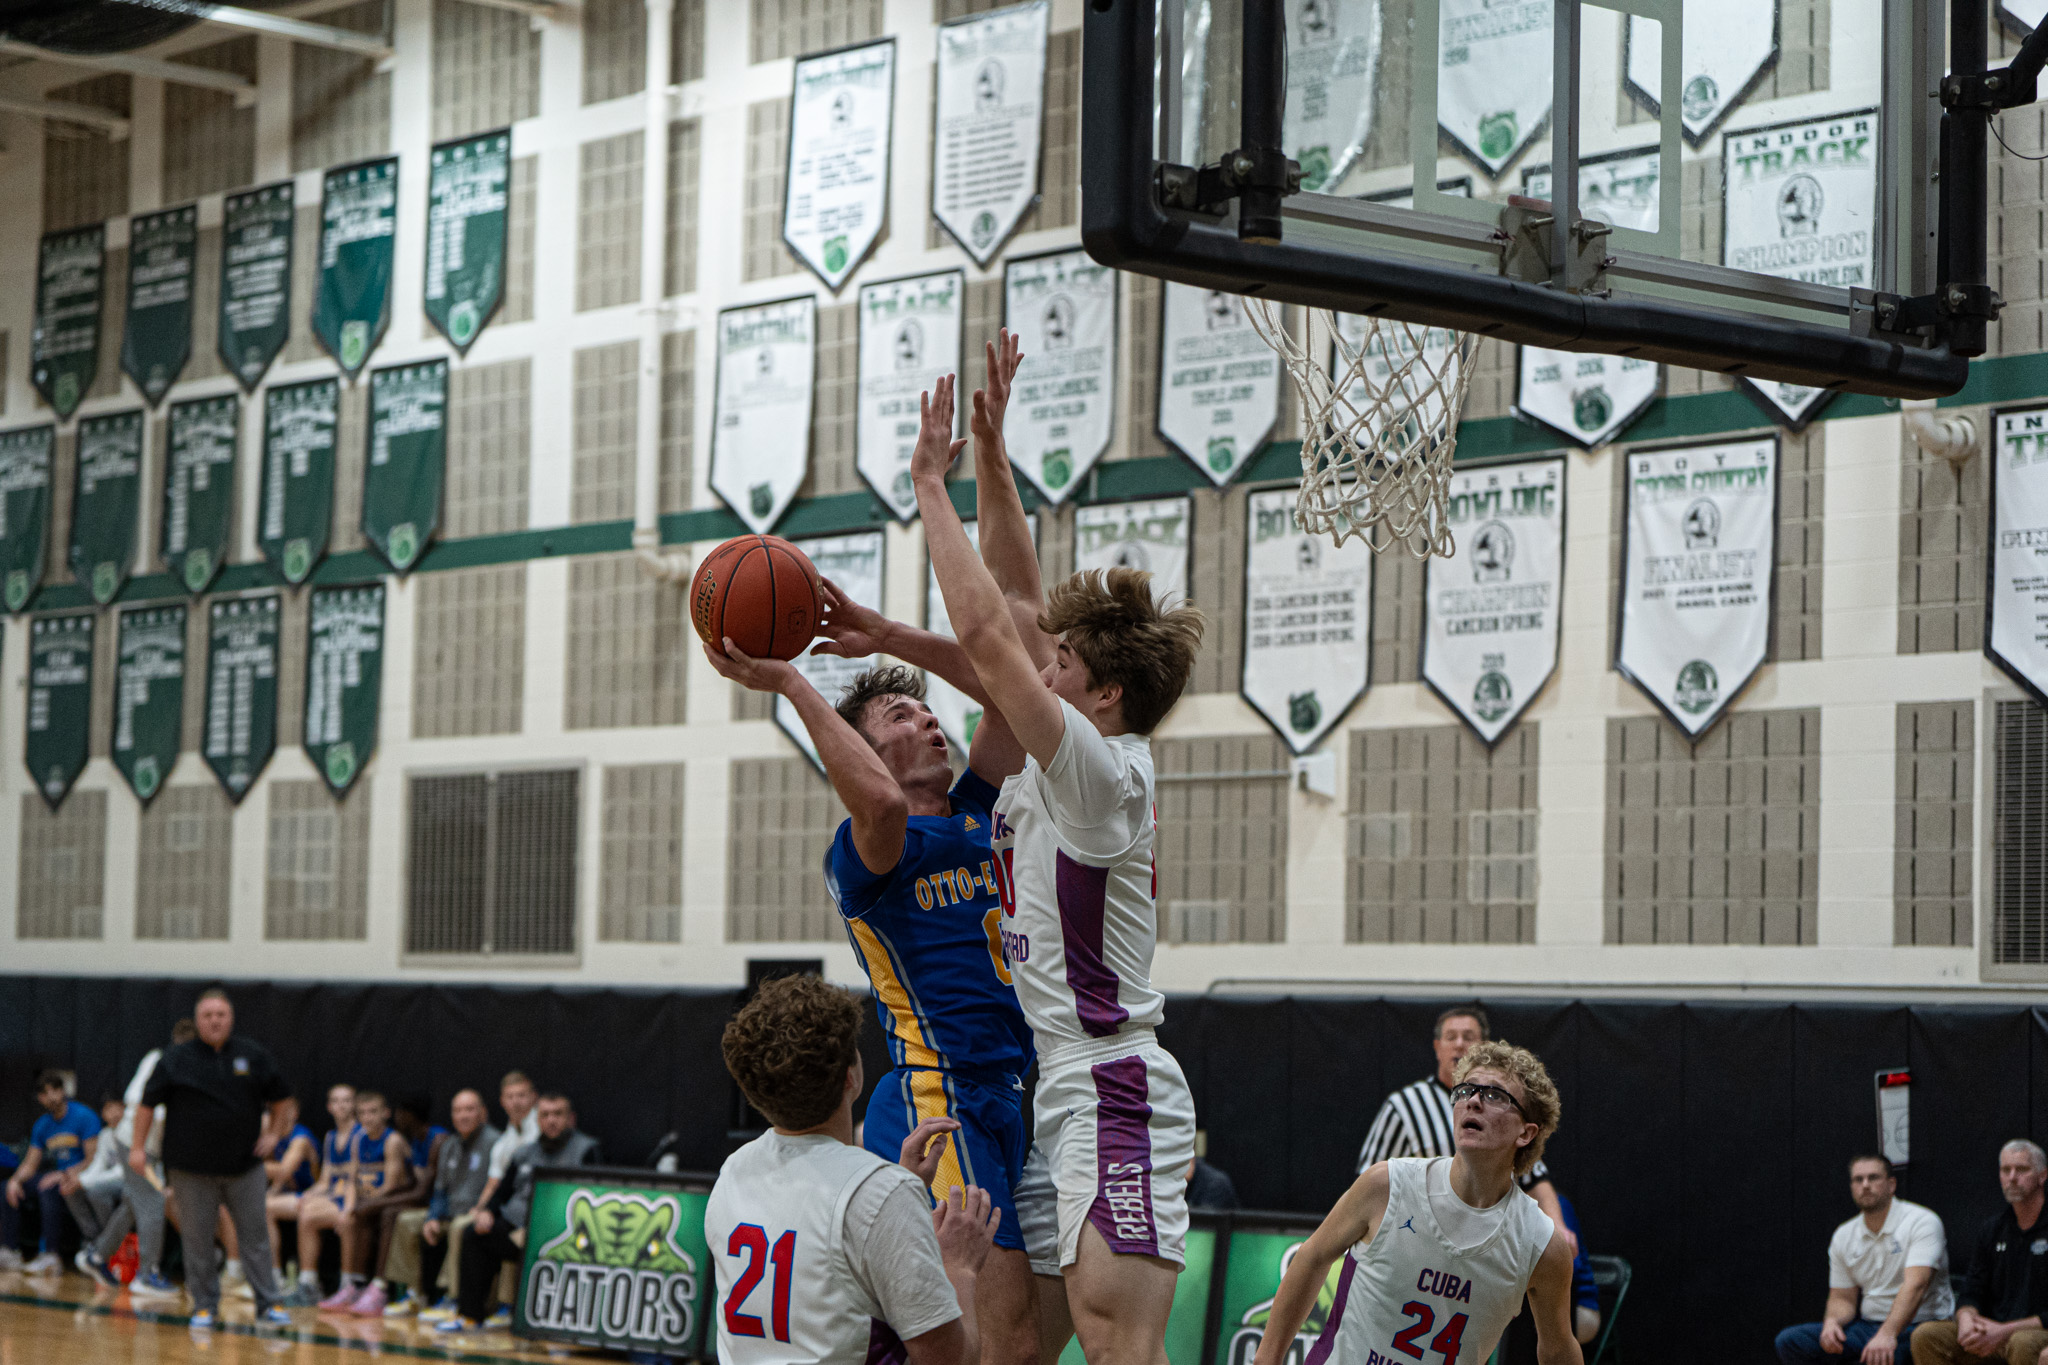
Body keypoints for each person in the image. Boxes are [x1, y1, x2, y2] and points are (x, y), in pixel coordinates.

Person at [705, 331, 1049, 1365]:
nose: (929, 723)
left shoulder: (981, 805)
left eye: (925, 714)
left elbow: (1016, 649)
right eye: (902, 719)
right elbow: (883, 809)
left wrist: (986, 464)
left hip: (1018, 1083)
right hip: (937, 1091)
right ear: (862, 744)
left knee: (1018, 1346)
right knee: (992, 1339)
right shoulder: (872, 849)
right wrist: (794, 681)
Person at [914, 364, 1207, 1365]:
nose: (1045, 672)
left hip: (1112, 1082)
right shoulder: (1074, 753)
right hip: (1061, 1082)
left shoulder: (1096, 773)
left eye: (1065, 671)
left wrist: (928, 490)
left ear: (1106, 695)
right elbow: (1021, 605)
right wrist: (993, 468)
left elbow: (991, 634)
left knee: (1114, 1342)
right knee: (1026, 1347)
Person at [705, 972, 1002, 1365]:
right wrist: (959, 1268)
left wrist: (899, 1192)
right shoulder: (880, 1196)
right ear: (852, 1075)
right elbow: (949, 1361)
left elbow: (816, 1260)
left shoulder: (733, 1173)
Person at [1250, 1041, 1582, 1365]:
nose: (1473, 1101)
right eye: (1465, 1090)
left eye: (1494, 1095)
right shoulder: (1386, 1184)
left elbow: (1557, 1350)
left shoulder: (1541, 1244)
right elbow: (1311, 1258)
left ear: (1525, 1133)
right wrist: (1267, 1359)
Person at [133, 987, 295, 1329]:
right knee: (197, 1241)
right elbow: (147, 1104)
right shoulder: (176, 1058)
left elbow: (282, 1099)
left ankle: (269, 1304)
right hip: (190, 1171)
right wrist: (136, 1148)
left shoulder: (252, 1055)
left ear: (231, 1018)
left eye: (220, 1014)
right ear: (197, 1020)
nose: (214, 1020)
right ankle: (204, 1306)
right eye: (207, 1015)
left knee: (255, 1238)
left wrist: (274, 1135)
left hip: (245, 1168)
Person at [1357, 1006, 1575, 1253]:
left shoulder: (1510, 1109)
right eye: (1451, 1037)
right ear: (1437, 1047)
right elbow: (1367, 1183)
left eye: (1468, 1037)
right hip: (1422, 1236)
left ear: (1485, 1047)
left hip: (1494, 1232)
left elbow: (1535, 1176)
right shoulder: (1404, 1105)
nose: (1460, 1045)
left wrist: (1557, 1226)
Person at [437, 1092, 601, 1334]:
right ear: (538, 1120)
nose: (551, 1120)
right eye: (545, 1115)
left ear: (571, 1119)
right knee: (475, 1234)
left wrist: (545, 1227)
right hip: (517, 1226)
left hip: (561, 1231)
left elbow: (596, 1201)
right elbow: (501, 1192)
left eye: (558, 1114)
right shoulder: (525, 1152)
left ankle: (558, 1325)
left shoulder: (587, 1150)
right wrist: (486, 1213)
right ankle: (470, 1315)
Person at [1775, 1155, 1952, 1365]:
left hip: (1917, 1326)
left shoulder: (1922, 1222)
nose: (1865, 1185)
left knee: (1884, 1358)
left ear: (1891, 1184)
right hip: (1867, 1326)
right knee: (1790, 1341)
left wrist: (1887, 1334)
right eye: (1858, 1180)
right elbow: (1843, 1298)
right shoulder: (1844, 1234)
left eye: (1873, 1178)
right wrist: (1832, 1322)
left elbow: (1916, 1285)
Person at [75, 1020, 191, 1297]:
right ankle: (147, 1275)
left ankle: (97, 1256)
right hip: (137, 1143)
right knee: (153, 1202)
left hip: (134, 1141)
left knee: (132, 1202)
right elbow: (141, 1101)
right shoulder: (165, 1064)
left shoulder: (156, 1057)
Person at [1910, 1140, 2048, 1365]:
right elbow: (1972, 1288)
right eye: (2006, 1170)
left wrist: (2005, 1330)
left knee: (2022, 1342)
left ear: (2042, 1175)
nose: (2012, 1177)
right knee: (1927, 1336)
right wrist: (1966, 1319)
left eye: (2022, 1169)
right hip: (1991, 1332)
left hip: (2034, 1332)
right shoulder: (1992, 1229)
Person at [390, 1088, 498, 1319]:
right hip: (449, 1211)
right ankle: (413, 1294)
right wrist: (432, 1217)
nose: (463, 1115)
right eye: (458, 1110)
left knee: (460, 1227)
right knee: (407, 1220)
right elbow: (439, 1191)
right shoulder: (449, 1144)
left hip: (476, 1213)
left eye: (469, 1109)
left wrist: (483, 1208)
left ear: (482, 1112)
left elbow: (498, 1186)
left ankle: (453, 1298)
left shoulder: (494, 1142)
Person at [346, 1093, 444, 1317]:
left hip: (437, 1205)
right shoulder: (416, 1139)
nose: (397, 1120)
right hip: (423, 1202)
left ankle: (381, 1287)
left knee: (389, 1213)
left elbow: (422, 1193)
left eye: (400, 1115)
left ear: (409, 1116)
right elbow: (410, 1184)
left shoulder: (436, 1140)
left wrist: (377, 1202)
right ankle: (358, 1283)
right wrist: (371, 1203)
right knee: (369, 1211)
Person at [317, 1090, 410, 1312]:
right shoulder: (359, 1140)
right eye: (363, 1113)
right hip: (369, 1202)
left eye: (373, 1112)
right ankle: (353, 1285)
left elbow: (391, 1186)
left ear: (385, 1113)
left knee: (361, 1217)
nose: (368, 1118)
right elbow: (351, 1181)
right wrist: (349, 1208)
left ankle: (378, 1289)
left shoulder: (392, 1140)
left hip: (394, 1201)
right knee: (350, 1218)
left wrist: (362, 1207)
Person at [2, 1070, 102, 1276]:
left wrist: (63, 1174)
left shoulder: (84, 1116)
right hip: (59, 1175)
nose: (52, 1096)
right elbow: (30, 1164)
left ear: (63, 1091)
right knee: (6, 1187)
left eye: (55, 1090)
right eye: (45, 1093)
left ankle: (50, 1255)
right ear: (40, 1098)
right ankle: (9, 1250)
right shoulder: (42, 1125)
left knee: (48, 1188)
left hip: (83, 1177)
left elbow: (93, 1159)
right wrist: (15, 1180)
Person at [279, 1082, 357, 1303]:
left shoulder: (359, 1135)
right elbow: (325, 1180)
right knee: (303, 1207)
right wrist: (310, 1194)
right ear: (329, 1106)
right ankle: (303, 1281)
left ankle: (341, 1284)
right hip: (335, 1195)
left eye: (346, 1100)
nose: (341, 1106)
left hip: (352, 1198)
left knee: (310, 1214)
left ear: (354, 1105)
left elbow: (352, 1181)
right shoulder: (331, 1137)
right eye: (336, 1101)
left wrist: (323, 1197)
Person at [469, 1071, 538, 1221]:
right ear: (502, 1101)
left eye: (521, 1095)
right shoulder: (503, 1142)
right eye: (510, 1096)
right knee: (468, 1226)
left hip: (539, 1205)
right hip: (511, 1207)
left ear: (533, 1097)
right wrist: (479, 1210)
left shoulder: (544, 1131)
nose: (516, 1102)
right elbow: (493, 1183)